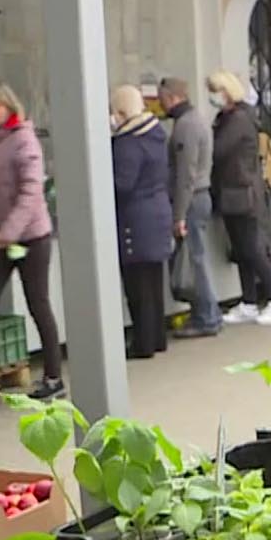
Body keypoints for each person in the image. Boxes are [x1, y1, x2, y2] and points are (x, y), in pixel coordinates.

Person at [0, 82, 62, 403]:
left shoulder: (24, 141)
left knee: (39, 304)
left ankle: (53, 376)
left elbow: (32, 192)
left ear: (9, 107)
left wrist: (10, 231)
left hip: (30, 237)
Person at [207, 70, 271, 325]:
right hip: (231, 191)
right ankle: (249, 302)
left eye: (215, 91)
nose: (212, 96)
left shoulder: (239, 119)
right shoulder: (227, 118)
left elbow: (218, 151)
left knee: (252, 249)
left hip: (244, 191)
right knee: (241, 250)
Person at [108, 85, 172, 360]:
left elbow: (122, 183)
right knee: (154, 281)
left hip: (136, 217)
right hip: (158, 211)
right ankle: (157, 337)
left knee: (137, 285)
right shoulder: (156, 135)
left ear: (121, 111)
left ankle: (143, 342)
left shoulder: (128, 142)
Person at [159, 77, 221, 339]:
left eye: (162, 99)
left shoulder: (185, 126)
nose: (160, 105)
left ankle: (207, 317)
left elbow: (186, 174)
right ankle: (206, 314)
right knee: (196, 257)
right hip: (199, 196)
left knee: (194, 259)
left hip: (192, 199)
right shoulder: (197, 120)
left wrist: (179, 215)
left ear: (172, 97)